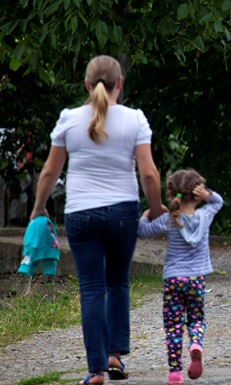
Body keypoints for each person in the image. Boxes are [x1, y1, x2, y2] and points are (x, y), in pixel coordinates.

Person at [29, 55, 165, 385]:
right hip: (122, 212)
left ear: (87, 85)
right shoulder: (135, 119)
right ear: (120, 83)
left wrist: (38, 208)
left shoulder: (68, 120)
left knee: (91, 289)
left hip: (81, 214)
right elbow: (148, 172)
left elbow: (50, 170)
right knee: (117, 281)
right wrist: (157, 208)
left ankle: (96, 371)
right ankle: (115, 354)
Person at [137, 169, 223, 385]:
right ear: (197, 193)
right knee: (196, 318)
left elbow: (142, 231)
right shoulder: (205, 215)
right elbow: (217, 202)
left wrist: (147, 214)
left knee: (173, 325)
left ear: (172, 192)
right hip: (197, 279)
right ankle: (195, 343)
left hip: (173, 279)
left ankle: (175, 373)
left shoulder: (169, 220)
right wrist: (206, 195)